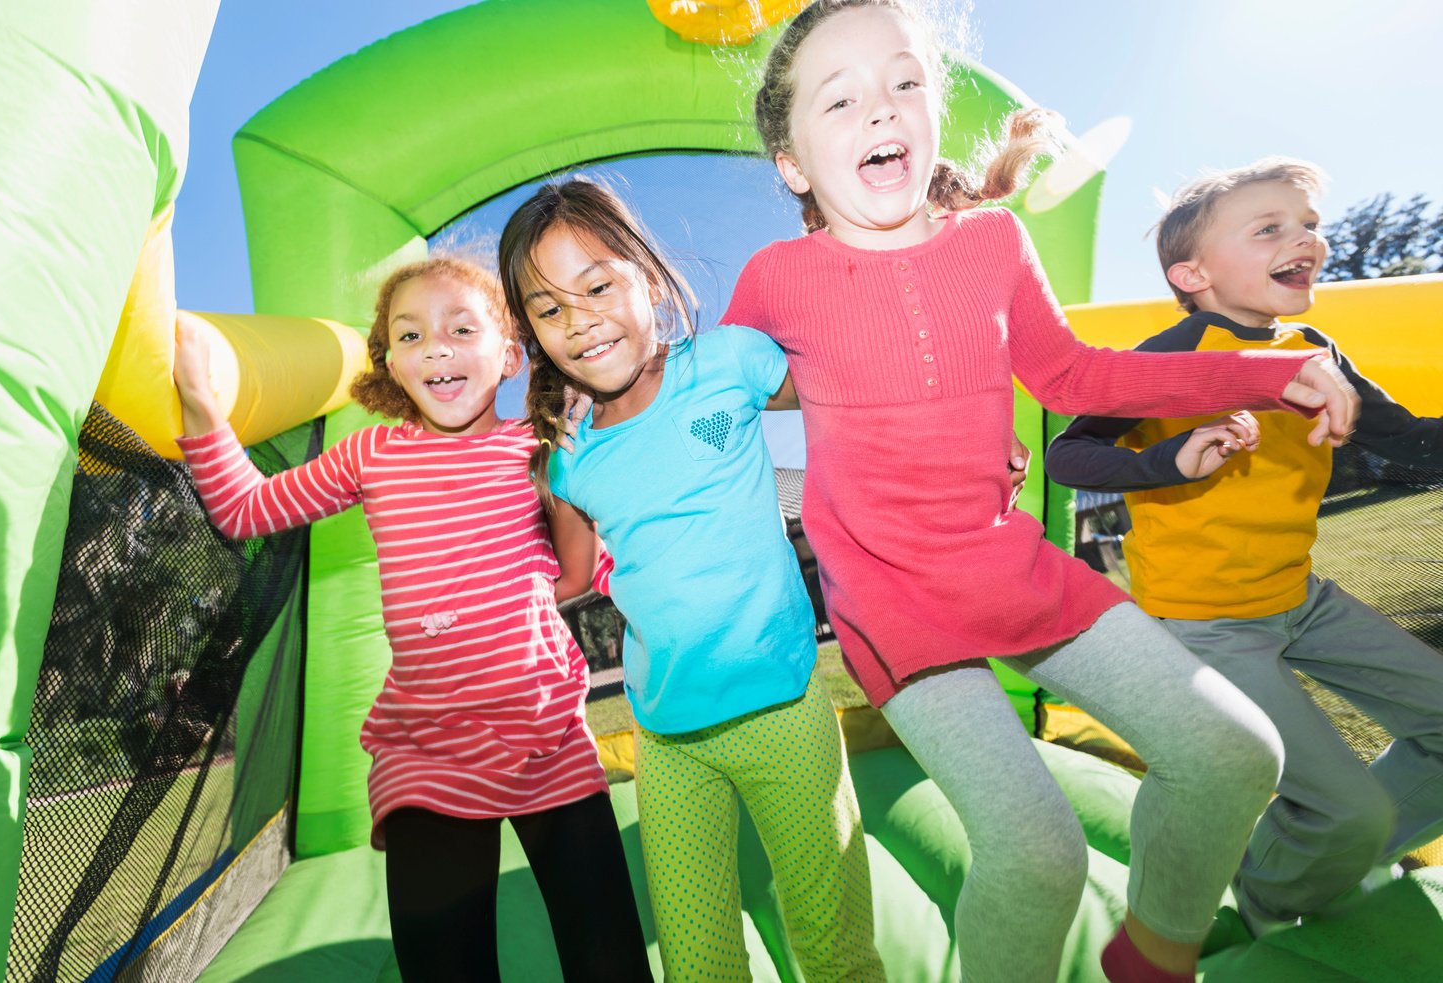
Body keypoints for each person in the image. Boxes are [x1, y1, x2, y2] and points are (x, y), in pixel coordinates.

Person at [725, 3, 1362, 981]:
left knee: (1235, 754)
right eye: (839, 98)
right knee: (1038, 852)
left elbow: (1078, 378)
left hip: (1004, 561)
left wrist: (1264, 373)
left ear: (932, 107)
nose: (880, 110)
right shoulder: (775, 278)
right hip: (893, 604)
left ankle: (1149, 956)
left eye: (903, 83)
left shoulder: (989, 245)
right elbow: (711, 399)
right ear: (793, 163)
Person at [172, 257, 651, 983]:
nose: (437, 347)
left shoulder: (535, 448)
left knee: (609, 960)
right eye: (411, 334)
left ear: (510, 352)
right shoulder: (372, 455)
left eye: (462, 328)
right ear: (390, 362)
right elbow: (248, 509)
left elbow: (582, 573)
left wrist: (576, 474)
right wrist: (205, 411)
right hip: (429, 753)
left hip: (547, 735)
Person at [498, 178, 887, 982]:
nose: (579, 321)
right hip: (669, 743)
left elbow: (854, 391)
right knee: (698, 964)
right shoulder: (572, 460)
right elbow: (567, 573)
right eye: (549, 308)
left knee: (834, 946)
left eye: (597, 285)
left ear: (646, 273)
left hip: (784, 712)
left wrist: (962, 453)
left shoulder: (727, 363)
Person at [1044, 156, 1443, 937]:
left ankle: (1327, 861)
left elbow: (1407, 439)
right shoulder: (1169, 354)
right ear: (1193, 273)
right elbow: (1069, 455)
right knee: (1347, 804)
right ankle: (1264, 903)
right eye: (1270, 229)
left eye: (1310, 226)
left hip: (1301, 597)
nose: (1306, 241)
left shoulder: (1315, 347)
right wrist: (1164, 459)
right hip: (1206, 625)